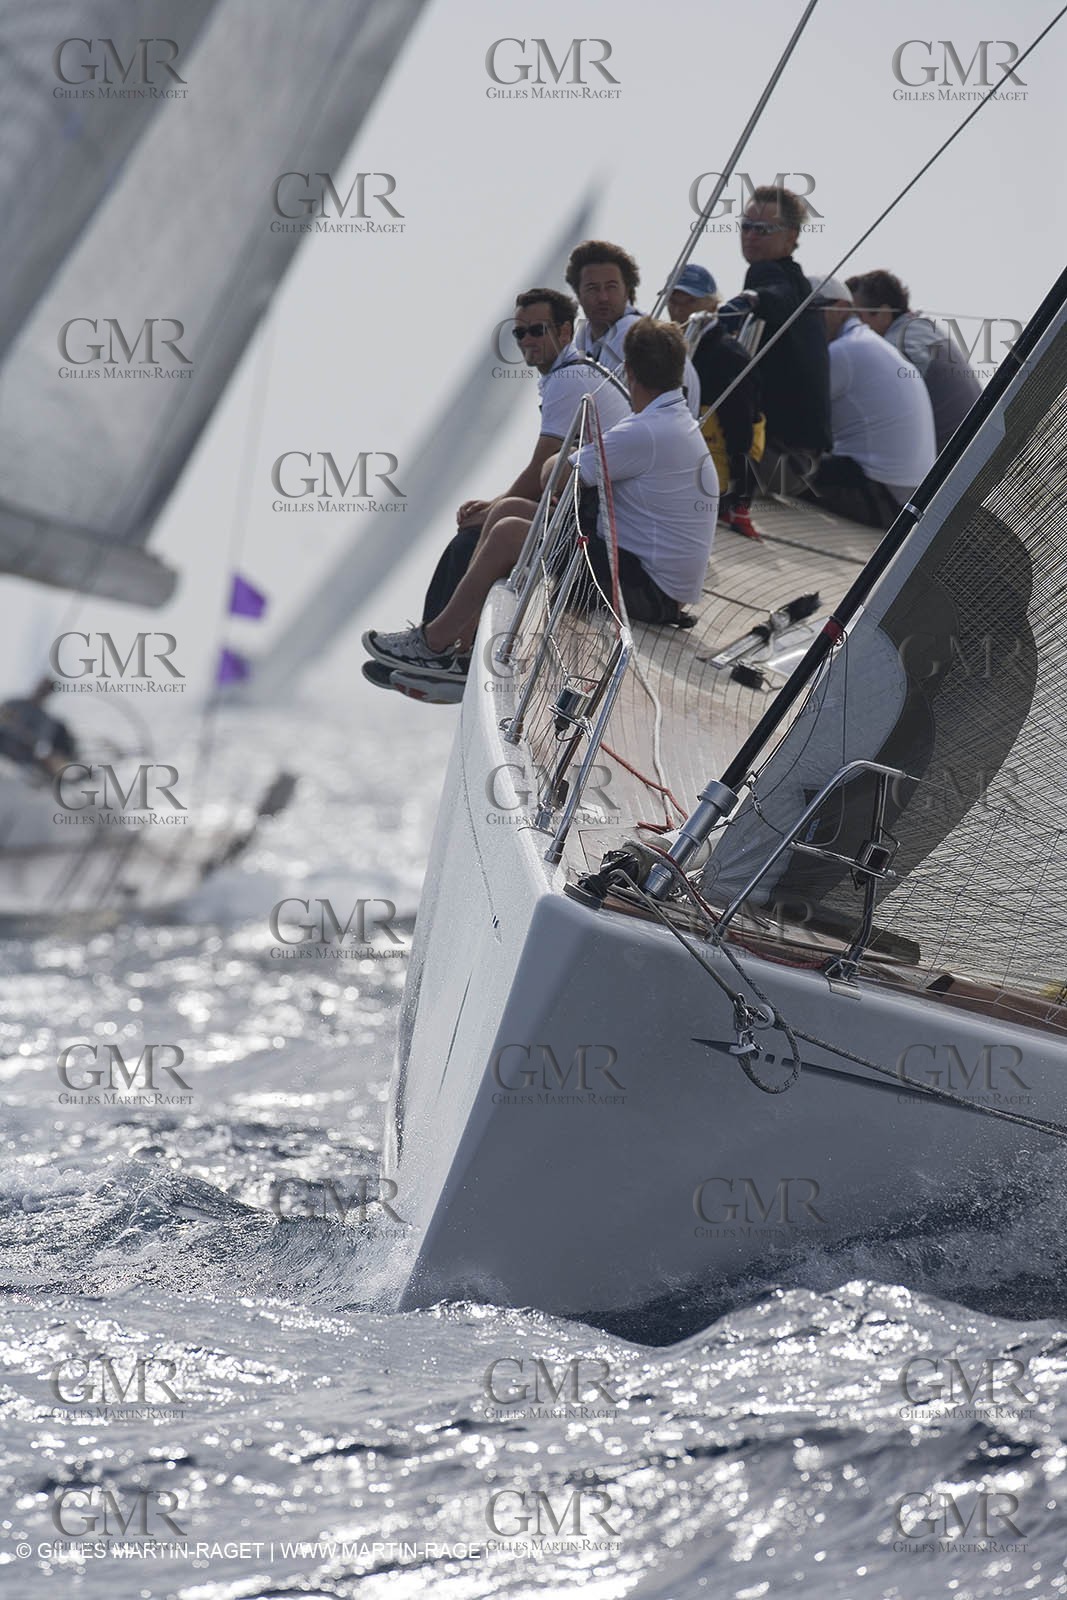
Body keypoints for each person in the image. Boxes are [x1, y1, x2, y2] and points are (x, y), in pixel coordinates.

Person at [363, 319, 716, 684]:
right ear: (678, 372)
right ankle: (461, 650)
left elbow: (555, 476)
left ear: (628, 371)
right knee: (507, 510)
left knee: (509, 534)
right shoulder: (674, 420)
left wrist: (575, 449)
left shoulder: (644, 431)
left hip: (648, 591)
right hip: (649, 577)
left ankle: (432, 644)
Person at [420, 287, 631, 622]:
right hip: (598, 518)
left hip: (607, 534)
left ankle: (439, 645)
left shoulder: (568, 379)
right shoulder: (572, 372)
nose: (526, 340)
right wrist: (492, 506)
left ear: (564, 331)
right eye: (519, 332)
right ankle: (438, 644)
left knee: (468, 543)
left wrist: (489, 509)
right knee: (487, 524)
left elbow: (539, 471)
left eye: (537, 330)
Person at [716, 184, 831, 497]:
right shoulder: (798, 283)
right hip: (800, 465)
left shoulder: (771, 276)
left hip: (782, 465)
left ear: (791, 236)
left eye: (764, 229)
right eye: (746, 226)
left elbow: (776, 297)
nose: (751, 235)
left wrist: (752, 299)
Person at [802, 275, 936, 530]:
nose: (802, 322)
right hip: (906, 493)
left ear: (840, 309)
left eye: (810, 311)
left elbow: (792, 412)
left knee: (781, 470)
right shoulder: (866, 343)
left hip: (883, 497)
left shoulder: (844, 351)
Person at [668, 263, 765, 538]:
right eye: (673, 300)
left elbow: (742, 432)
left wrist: (741, 503)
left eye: (690, 301)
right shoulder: (670, 346)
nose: (679, 309)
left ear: (712, 305)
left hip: (711, 487)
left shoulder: (727, 356)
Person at [846, 269, 982, 452]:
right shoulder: (922, 330)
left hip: (950, 465)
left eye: (856, 317)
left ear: (884, 314)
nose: (849, 327)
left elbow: (877, 409)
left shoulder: (897, 347)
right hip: (975, 451)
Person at [565, 238, 703, 420]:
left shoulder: (633, 335)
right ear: (578, 294)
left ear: (627, 290)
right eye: (592, 288)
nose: (603, 297)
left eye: (611, 287)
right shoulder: (584, 337)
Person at [0, 677, 78, 777]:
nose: (41, 691)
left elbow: (38, 741)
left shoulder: (45, 720)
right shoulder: (15, 703)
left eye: (46, 689)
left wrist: (20, 729)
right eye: (42, 687)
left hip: (20, 755)